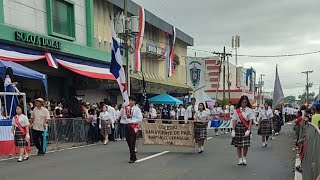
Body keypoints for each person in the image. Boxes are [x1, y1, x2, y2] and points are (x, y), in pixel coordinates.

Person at [231, 95, 254, 166]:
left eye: (245, 102)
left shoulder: (250, 110)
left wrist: (249, 129)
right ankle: (240, 159)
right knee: (239, 145)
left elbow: (250, 120)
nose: (244, 103)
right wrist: (233, 130)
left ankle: (244, 158)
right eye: (243, 102)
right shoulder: (237, 110)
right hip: (238, 127)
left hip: (245, 127)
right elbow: (234, 120)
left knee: (245, 145)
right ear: (240, 102)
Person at [123, 96, 143, 163]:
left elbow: (140, 118)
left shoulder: (137, 109)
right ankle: (133, 156)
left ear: (134, 101)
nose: (130, 102)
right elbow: (124, 116)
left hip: (133, 126)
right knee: (128, 141)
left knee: (132, 142)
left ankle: (132, 157)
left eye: (131, 100)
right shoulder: (127, 108)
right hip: (127, 126)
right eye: (129, 100)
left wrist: (133, 121)